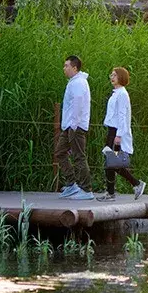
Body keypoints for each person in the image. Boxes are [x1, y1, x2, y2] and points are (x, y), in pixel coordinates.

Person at [96, 67, 146, 202]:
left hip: (117, 132)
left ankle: (135, 184)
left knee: (113, 162)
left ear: (121, 77)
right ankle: (112, 192)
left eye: (114, 75)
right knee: (110, 162)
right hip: (112, 130)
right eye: (111, 75)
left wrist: (119, 135)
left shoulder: (122, 94)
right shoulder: (116, 93)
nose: (111, 77)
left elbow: (123, 116)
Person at [56, 55, 94, 200]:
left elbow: (78, 104)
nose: (64, 68)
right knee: (60, 152)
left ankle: (86, 189)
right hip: (69, 126)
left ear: (74, 68)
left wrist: (74, 125)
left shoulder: (78, 83)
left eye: (66, 66)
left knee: (79, 156)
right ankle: (72, 184)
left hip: (75, 126)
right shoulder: (73, 82)